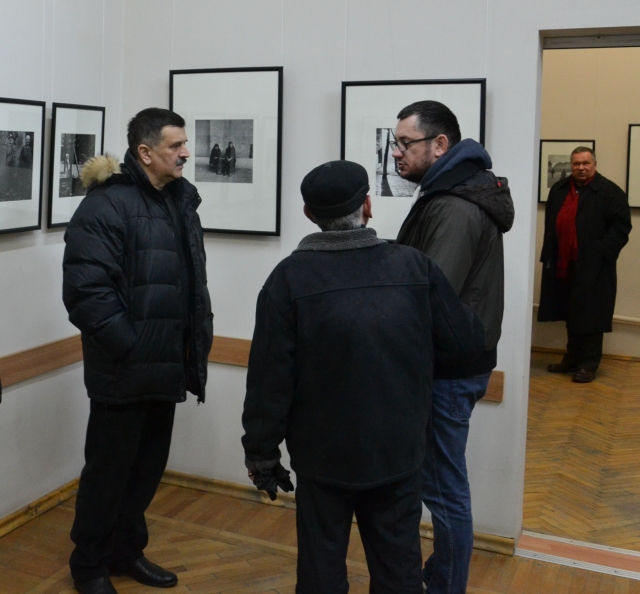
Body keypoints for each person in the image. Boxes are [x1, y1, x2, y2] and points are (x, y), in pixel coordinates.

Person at [241, 160, 486, 594]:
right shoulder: (414, 268)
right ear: (367, 207)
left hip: (322, 457)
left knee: (320, 569)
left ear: (309, 214)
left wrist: (261, 455)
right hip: (397, 451)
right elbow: (465, 345)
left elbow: (268, 379)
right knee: (399, 569)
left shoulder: (287, 280)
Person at [62, 107, 213, 594]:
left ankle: (126, 552)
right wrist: (131, 347)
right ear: (145, 152)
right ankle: (88, 565)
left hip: (166, 366)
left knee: (145, 471)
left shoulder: (180, 199)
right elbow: (87, 294)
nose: (186, 153)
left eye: (185, 143)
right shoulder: (105, 207)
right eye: (176, 145)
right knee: (108, 474)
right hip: (124, 369)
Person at [392, 100, 514, 594]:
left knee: (444, 492)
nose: (396, 153)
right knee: (443, 486)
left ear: (440, 144)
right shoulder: (452, 193)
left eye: (406, 143)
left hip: (448, 369)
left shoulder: (455, 206)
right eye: (395, 143)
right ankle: (442, 576)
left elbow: (431, 293)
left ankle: (446, 586)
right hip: (453, 363)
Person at [538, 147, 631, 383]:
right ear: (571, 165)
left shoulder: (610, 192)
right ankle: (572, 359)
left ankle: (588, 365)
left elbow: (621, 228)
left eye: (586, 163)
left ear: (594, 165)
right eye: (576, 164)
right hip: (564, 263)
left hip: (595, 267)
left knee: (592, 315)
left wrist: (602, 253)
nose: (581, 168)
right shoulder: (560, 189)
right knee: (571, 312)